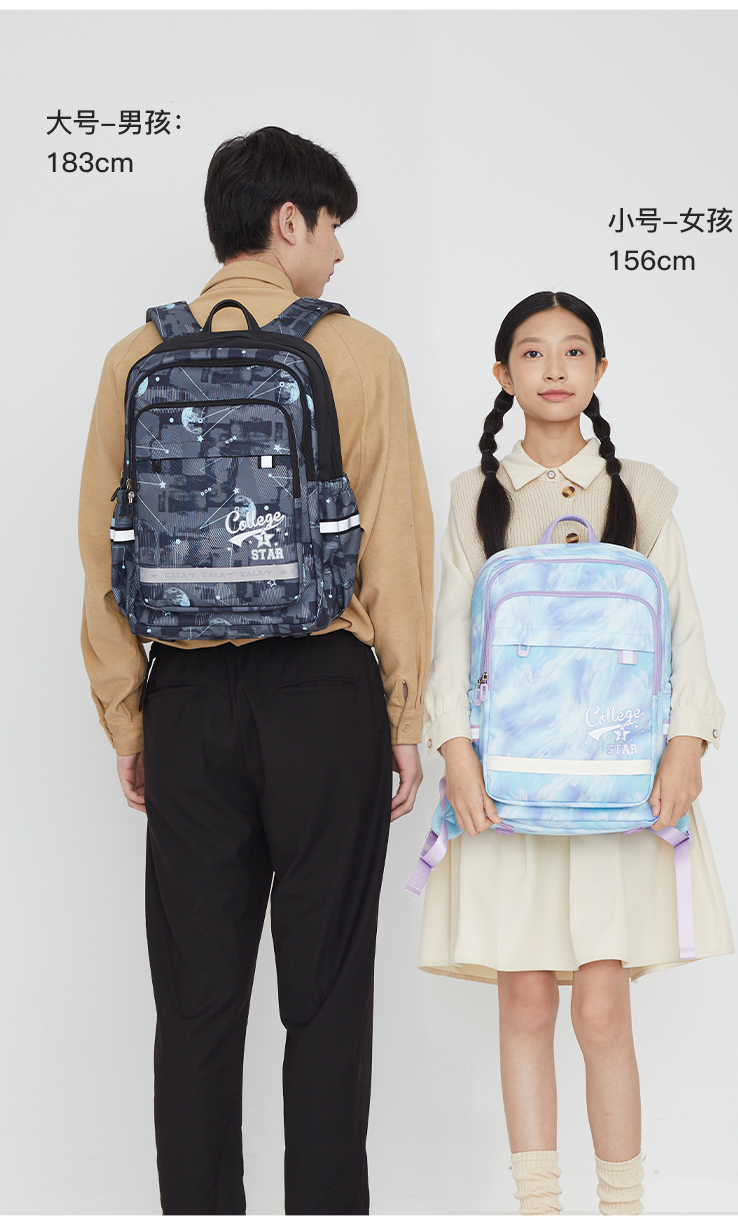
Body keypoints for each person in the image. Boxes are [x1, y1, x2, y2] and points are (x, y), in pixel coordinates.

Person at [78, 126, 433, 1216]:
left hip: (187, 701)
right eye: (332, 228)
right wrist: (403, 714)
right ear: (289, 221)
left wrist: (129, 719)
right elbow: (397, 549)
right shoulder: (359, 354)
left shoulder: (134, 356)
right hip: (323, 694)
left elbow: (102, 551)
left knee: (195, 1003)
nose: (338, 253)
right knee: (324, 997)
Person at [418, 291, 733, 1215]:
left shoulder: (642, 490)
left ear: (599, 370)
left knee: (601, 1006)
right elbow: (451, 634)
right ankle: (540, 1207)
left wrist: (688, 743)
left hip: (616, 786)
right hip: (511, 789)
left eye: (573, 351)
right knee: (523, 1002)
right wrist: (456, 750)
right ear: (502, 372)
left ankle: (622, 1207)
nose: (553, 369)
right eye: (532, 352)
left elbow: (682, 629)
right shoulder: (473, 495)